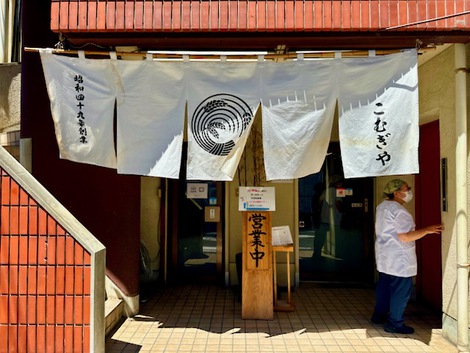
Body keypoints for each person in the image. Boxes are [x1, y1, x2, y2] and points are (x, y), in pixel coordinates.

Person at [371, 179, 443, 334]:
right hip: (399, 257)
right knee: (401, 290)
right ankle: (394, 323)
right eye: (407, 188)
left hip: (385, 254)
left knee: (384, 286)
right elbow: (404, 237)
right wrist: (427, 230)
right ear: (396, 193)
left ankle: (379, 316)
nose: (409, 191)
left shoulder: (382, 207)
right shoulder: (400, 212)